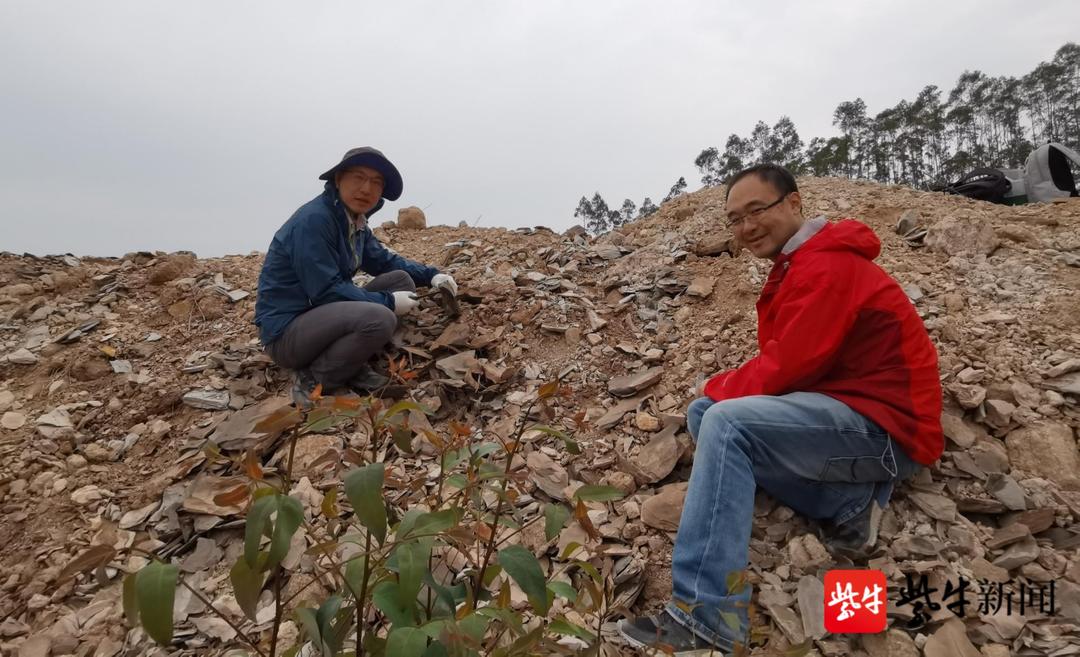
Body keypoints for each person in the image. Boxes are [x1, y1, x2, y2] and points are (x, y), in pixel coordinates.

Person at [618, 164, 944, 655]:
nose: (746, 227)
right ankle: (847, 505)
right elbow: (792, 364)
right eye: (734, 219)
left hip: (888, 430)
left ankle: (708, 618)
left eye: (757, 211)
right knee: (705, 415)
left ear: (794, 203)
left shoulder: (827, 267)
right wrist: (717, 393)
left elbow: (788, 366)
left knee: (724, 421)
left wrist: (718, 383)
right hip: (850, 414)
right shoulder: (801, 264)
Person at [254, 147, 457, 406]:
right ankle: (316, 376)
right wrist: (388, 303)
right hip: (288, 332)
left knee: (400, 280)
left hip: (322, 316)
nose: (366, 189)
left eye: (376, 182)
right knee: (380, 317)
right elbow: (326, 290)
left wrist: (433, 276)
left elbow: (384, 261)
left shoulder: (353, 222)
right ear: (338, 179)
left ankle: (349, 360)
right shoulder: (314, 220)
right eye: (358, 177)